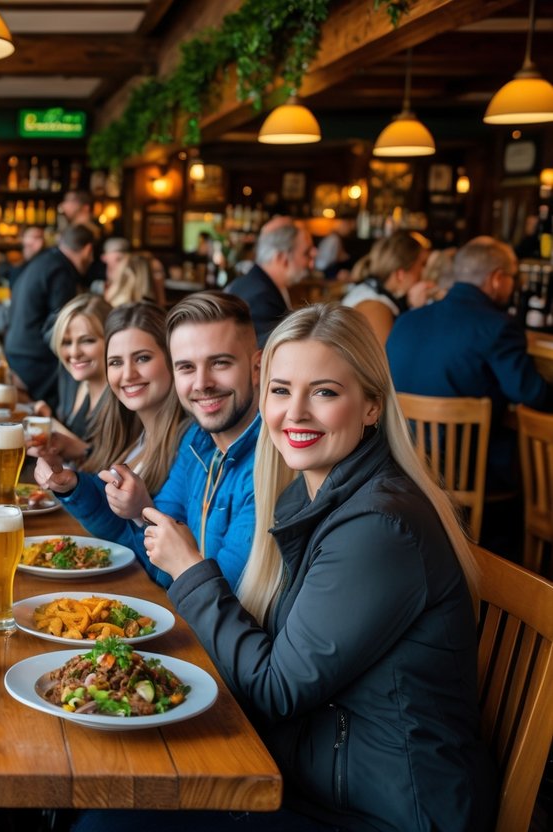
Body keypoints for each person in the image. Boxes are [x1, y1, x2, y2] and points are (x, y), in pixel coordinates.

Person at [132, 304, 496, 831]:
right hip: (318, 776)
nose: (295, 412)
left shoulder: (379, 526)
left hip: (390, 812)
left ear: (371, 405)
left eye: (324, 392)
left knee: (117, 816)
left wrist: (191, 571)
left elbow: (277, 688)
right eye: (281, 391)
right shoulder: (314, 496)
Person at [40, 293, 259, 588]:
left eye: (219, 363)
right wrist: (75, 488)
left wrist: (143, 512)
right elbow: (157, 564)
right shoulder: (197, 442)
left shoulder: (212, 445)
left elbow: (223, 594)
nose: (201, 382)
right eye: (188, 367)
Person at [387, 237, 553, 552]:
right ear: (497, 278)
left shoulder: (408, 320)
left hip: (404, 465)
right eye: (513, 277)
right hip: (467, 478)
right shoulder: (497, 326)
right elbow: (532, 394)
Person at [34, 303, 190, 580]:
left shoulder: (189, 444)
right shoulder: (139, 434)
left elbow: (170, 567)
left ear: (172, 359)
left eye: (142, 358)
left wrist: (143, 511)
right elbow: (118, 529)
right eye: (116, 362)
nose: (128, 374)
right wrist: (72, 486)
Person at [6, 224, 94, 410]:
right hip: (35, 363)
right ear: (88, 250)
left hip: (16, 354)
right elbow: (62, 327)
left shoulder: (45, 260)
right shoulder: (61, 270)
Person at [31, 293, 113, 464]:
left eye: (87, 341)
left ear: (112, 340)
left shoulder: (123, 395)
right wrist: (49, 421)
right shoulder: (72, 379)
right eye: (67, 342)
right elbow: (73, 443)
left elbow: (119, 468)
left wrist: (82, 450)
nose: (74, 353)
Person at [226, 217, 315, 346]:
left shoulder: (257, 284)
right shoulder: (261, 300)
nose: (310, 264)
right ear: (281, 258)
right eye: (305, 254)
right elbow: (275, 355)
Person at [342, 230, 431, 346]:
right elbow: (388, 361)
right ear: (400, 274)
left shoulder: (372, 292)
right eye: (422, 265)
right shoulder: (375, 307)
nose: (425, 272)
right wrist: (417, 311)